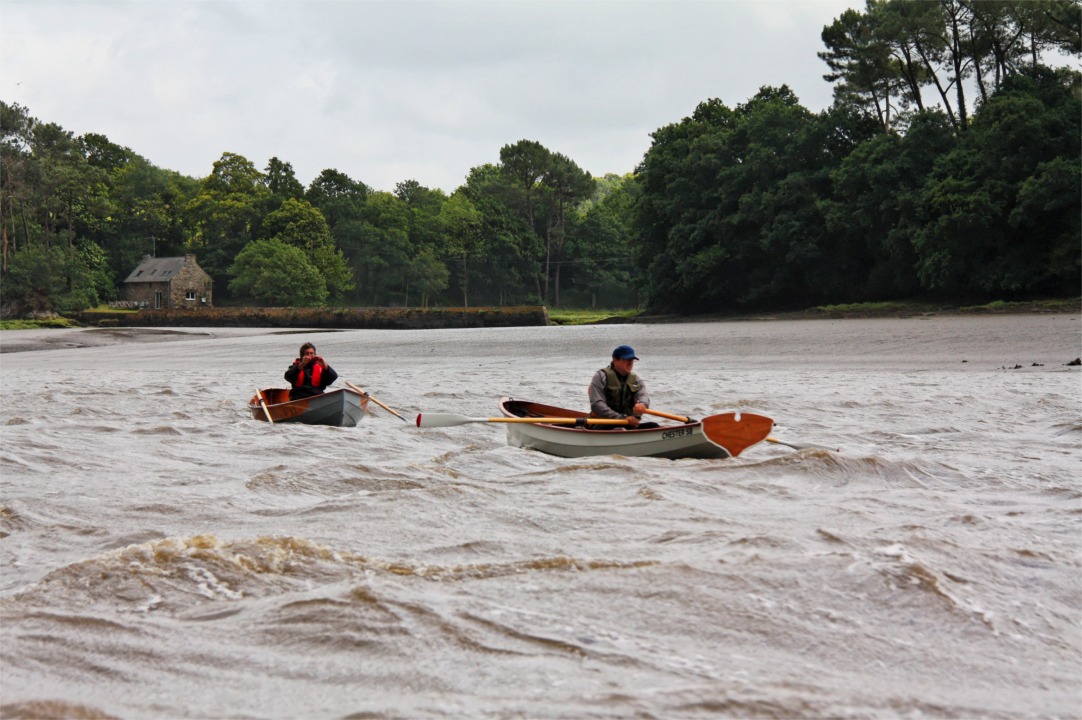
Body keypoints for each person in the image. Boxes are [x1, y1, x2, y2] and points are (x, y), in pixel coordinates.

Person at [588, 345, 659, 429]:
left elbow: (643, 396)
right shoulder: (600, 376)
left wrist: (642, 404)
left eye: (632, 360)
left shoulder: (636, 380)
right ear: (615, 360)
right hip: (604, 422)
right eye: (626, 359)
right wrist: (622, 418)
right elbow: (597, 405)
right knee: (610, 428)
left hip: (628, 423)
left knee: (653, 426)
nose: (630, 363)